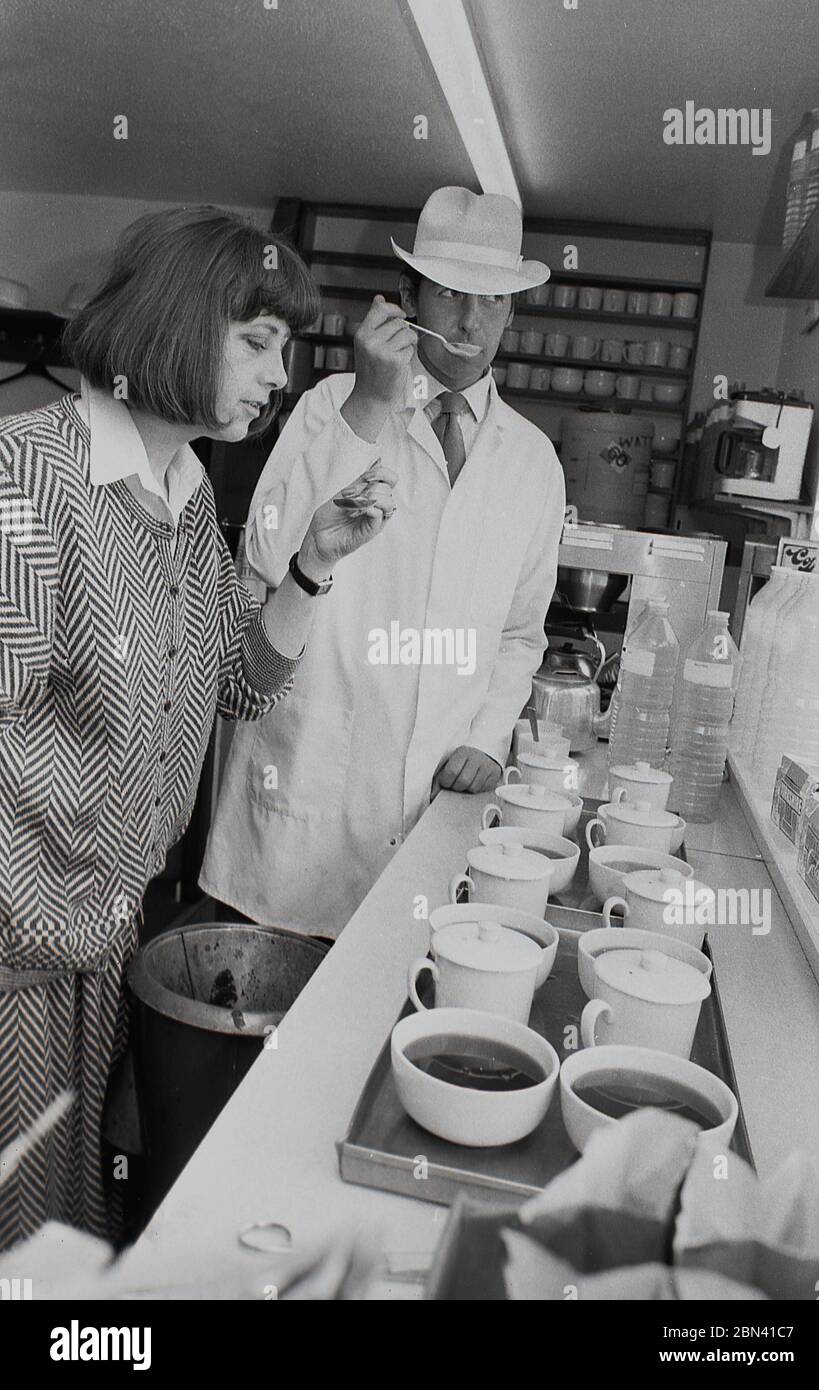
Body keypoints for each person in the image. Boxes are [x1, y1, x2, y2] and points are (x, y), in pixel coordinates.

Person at [0, 206, 395, 1249]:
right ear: (177, 324)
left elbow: (239, 682)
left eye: (286, 348)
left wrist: (312, 564)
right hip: (15, 974)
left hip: (99, 949)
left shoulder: (179, 497)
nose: (279, 375)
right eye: (258, 342)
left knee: (64, 1241)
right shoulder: (32, 485)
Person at [201, 187, 566, 937]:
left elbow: (522, 635)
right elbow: (267, 556)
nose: (471, 321)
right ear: (406, 297)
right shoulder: (332, 403)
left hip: (430, 820)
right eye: (450, 294)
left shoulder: (533, 462)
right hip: (301, 810)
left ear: (512, 312)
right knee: (268, 1042)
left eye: (492, 301)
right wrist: (369, 407)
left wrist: (488, 737)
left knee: (387, 1036)